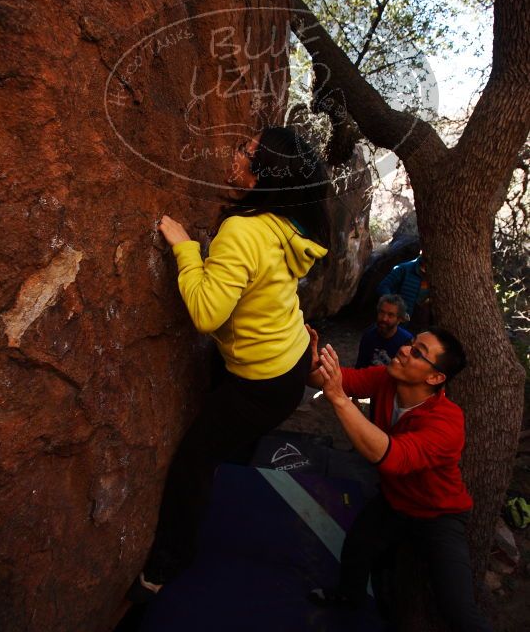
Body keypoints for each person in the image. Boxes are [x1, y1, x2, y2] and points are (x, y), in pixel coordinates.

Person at [136, 126, 330, 596]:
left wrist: (185, 249)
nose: (236, 154)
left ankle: (165, 568)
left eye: (246, 151)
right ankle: (231, 487)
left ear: (262, 174)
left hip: (261, 381)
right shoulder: (285, 223)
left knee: (194, 462)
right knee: (230, 440)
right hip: (289, 362)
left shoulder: (244, 229)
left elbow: (206, 313)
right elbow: (271, 286)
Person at [305, 327, 514, 632]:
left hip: (439, 516)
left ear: (435, 377)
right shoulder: (388, 379)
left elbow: (388, 457)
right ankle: (349, 599)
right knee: (357, 549)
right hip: (396, 501)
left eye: (417, 351)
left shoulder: (448, 423)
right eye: (410, 343)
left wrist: (339, 399)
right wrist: (313, 356)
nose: (403, 349)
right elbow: (335, 379)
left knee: (459, 609)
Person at [377, 253, 431, 332]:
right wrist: (396, 308)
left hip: (419, 326)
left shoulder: (438, 275)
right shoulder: (404, 269)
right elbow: (383, 286)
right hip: (397, 325)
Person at [355, 294, 412, 369]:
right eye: (382, 312)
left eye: (390, 315)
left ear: (399, 319)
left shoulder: (406, 341)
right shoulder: (369, 336)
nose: (384, 319)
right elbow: (360, 367)